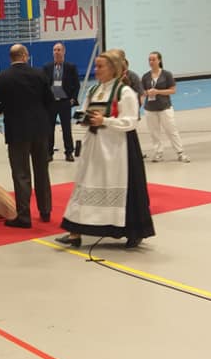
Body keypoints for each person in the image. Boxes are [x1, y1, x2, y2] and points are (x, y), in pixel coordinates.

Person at [58, 49, 154, 248]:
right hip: (94, 146)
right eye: (96, 66)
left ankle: (132, 231)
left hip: (118, 148)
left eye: (100, 66)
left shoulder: (125, 92)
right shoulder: (94, 90)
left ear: (113, 68)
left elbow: (131, 121)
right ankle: (75, 233)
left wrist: (105, 121)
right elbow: (84, 111)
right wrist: (84, 118)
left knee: (123, 188)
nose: (96, 70)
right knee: (84, 185)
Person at [0, 45, 54, 228]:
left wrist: (5, 109)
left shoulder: (1, 78)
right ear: (25, 56)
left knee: (21, 173)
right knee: (42, 171)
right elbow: (49, 100)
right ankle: (45, 210)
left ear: (11, 58)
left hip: (16, 130)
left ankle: (24, 216)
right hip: (40, 129)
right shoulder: (40, 74)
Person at [142, 50, 190, 163]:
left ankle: (180, 153)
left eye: (153, 59)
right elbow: (143, 92)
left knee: (171, 130)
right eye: (149, 60)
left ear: (159, 60)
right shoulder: (145, 76)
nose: (151, 62)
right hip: (150, 108)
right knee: (154, 132)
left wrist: (158, 91)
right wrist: (148, 93)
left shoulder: (166, 74)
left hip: (165, 107)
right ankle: (158, 153)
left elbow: (173, 90)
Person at [42, 42, 80, 162]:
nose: (56, 52)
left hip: (64, 102)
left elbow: (76, 85)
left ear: (64, 52)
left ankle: (69, 152)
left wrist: (73, 98)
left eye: (59, 50)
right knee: (49, 129)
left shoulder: (70, 67)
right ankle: (49, 153)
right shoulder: (47, 67)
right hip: (51, 103)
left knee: (66, 129)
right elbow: (43, 85)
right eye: (54, 50)